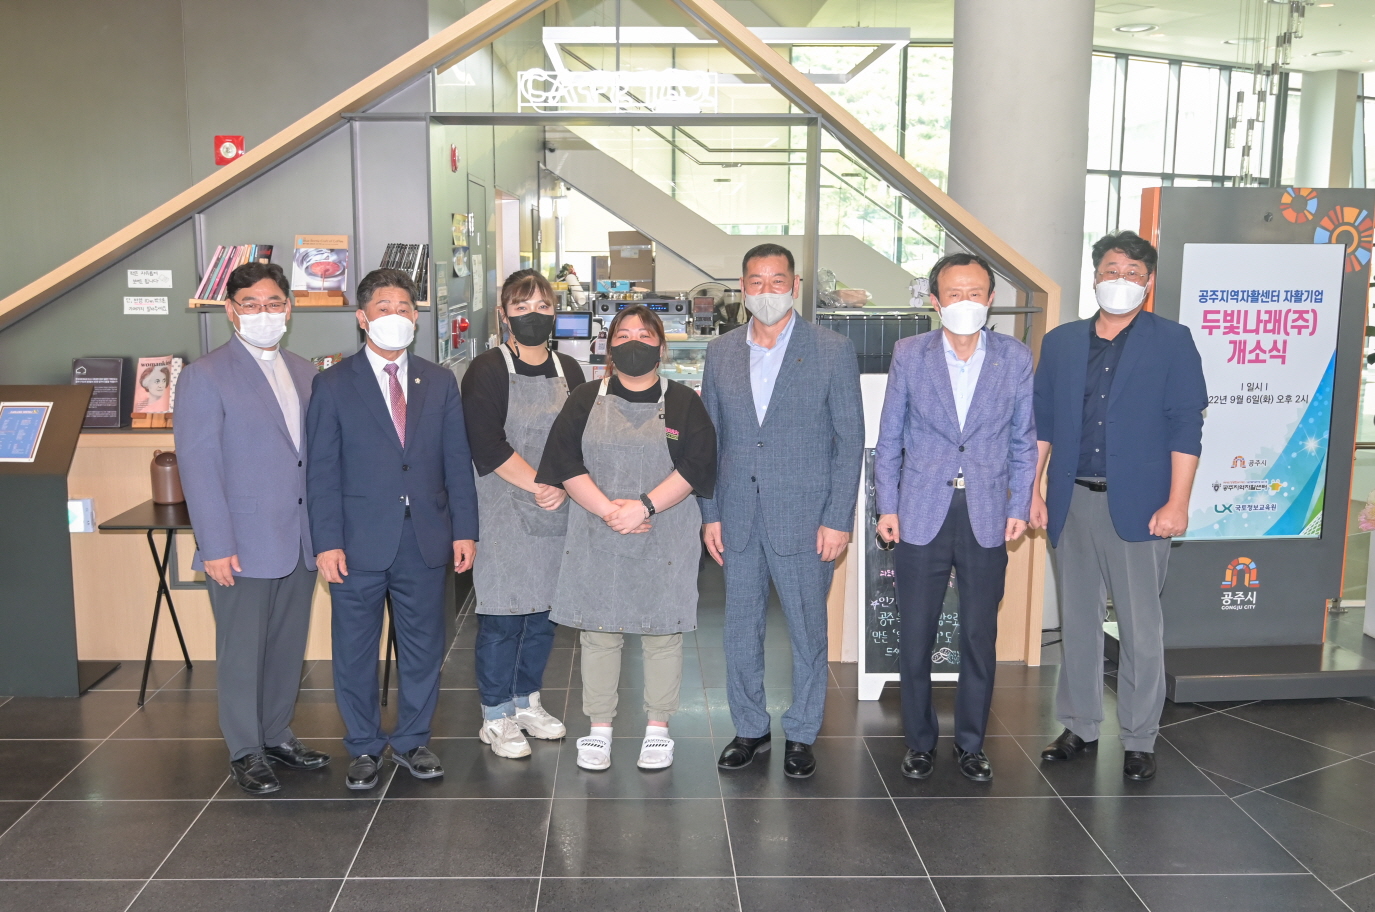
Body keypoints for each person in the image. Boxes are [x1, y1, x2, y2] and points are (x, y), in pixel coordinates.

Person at [1029, 230, 1207, 782]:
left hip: (1142, 507)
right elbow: (1042, 423)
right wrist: (1032, 490)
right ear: (1095, 277)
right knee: (1079, 622)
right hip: (1072, 500)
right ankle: (1079, 725)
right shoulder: (1061, 343)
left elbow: (1186, 426)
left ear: (1148, 283)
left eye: (1133, 273)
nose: (1121, 280)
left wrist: (1178, 502)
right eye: (1112, 270)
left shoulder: (1172, 341)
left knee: (1140, 628)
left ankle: (1139, 737)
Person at [306, 267, 479, 790]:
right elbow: (321, 471)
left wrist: (465, 530)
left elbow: (457, 461)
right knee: (355, 649)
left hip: (424, 537)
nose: (396, 316)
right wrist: (326, 542)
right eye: (384, 308)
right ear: (363, 318)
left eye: (405, 307)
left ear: (416, 318)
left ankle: (412, 741)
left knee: (424, 647)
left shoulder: (439, 381)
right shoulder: (332, 384)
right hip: (356, 541)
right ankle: (363, 744)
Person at [703, 243, 864, 779]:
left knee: (807, 629)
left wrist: (838, 518)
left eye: (777, 281)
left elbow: (849, 441)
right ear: (742, 288)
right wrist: (710, 513)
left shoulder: (832, 350)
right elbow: (710, 439)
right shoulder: (721, 352)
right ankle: (749, 728)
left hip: (806, 516)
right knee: (739, 629)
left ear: (794, 286)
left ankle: (801, 732)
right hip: (738, 514)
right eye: (756, 281)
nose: (766, 291)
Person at [875, 253, 1036, 782]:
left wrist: (1019, 504)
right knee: (916, 634)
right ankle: (919, 742)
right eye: (954, 293)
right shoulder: (910, 354)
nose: (965, 302)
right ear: (935, 301)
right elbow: (890, 436)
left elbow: (1023, 441)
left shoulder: (1014, 358)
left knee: (978, 635)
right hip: (921, 509)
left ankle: (971, 744)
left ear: (990, 299)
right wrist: (887, 505)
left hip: (987, 511)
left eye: (975, 293)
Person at [536, 304, 716, 772]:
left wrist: (644, 507)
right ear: (609, 347)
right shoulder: (584, 398)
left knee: (663, 631)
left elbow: (696, 466)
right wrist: (610, 512)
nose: (634, 342)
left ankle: (658, 728)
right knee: (599, 631)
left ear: (662, 346)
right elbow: (565, 461)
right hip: (597, 529)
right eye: (623, 335)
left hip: (665, 530)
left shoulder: (684, 402)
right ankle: (599, 729)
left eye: (644, 334)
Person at [175, 262, 330, 794]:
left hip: (299, 538)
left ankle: (276, 733)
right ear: (231, 310)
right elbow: (199, 467)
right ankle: (245, 749)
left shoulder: (306, 372)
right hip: (240, 543)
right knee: (242, 651)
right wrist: (214, 545)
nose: (264, 313)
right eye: (251, 304)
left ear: (289, 308)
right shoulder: (205, 375)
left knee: (287, 645)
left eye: (273, 303)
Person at [460, 269, 583, 758]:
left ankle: (526, 700)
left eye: (543, 306)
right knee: (503, 616)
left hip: (557, 509)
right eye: (522, 306)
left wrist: (563, 484)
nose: (534, 315)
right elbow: (486, 443)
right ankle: (495, 716)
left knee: (544, 615)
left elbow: (580, 437)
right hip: (503, 510)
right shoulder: (487, 369)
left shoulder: (569, 370)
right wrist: (541, 483)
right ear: (504, 315)